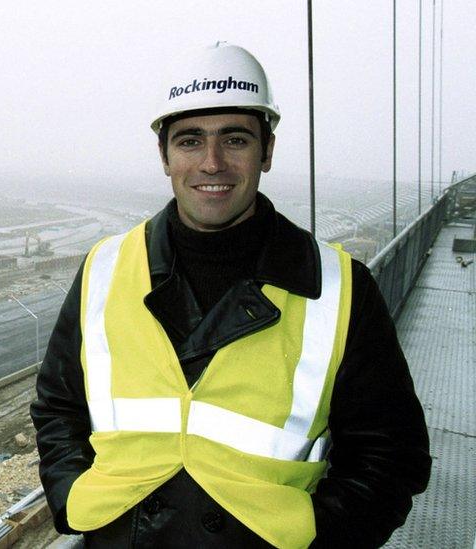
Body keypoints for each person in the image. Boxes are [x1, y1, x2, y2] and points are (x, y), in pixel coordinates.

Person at [30, 42, 430, 548]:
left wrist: (321, 536)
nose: (212, 163)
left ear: (267, 150)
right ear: (165, 155)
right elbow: (58, 404)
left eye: (235, 140)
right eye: (190, 141)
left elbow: (391, 455)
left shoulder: (340, 288)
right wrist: (71, 495)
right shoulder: (104, 269)